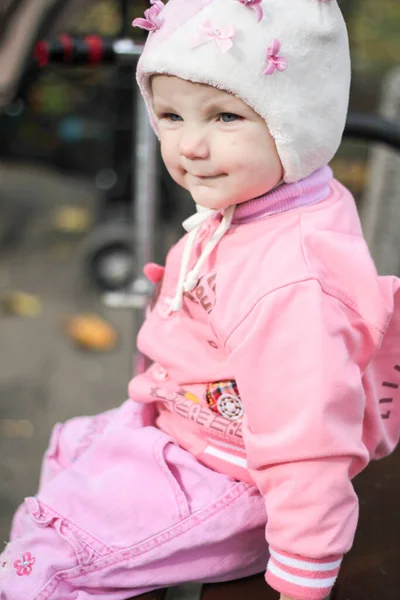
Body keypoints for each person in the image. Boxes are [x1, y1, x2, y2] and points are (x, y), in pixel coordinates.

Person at [1, 1, 399, 599]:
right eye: (170, 116)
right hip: (193, 424)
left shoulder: (290, 284)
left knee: (47, 560)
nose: (189, 145)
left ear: (299, 122)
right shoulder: (267, 198)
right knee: (72, 451)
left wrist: (302, 577)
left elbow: (309, 442)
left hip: (235, 477)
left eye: (225, 116)